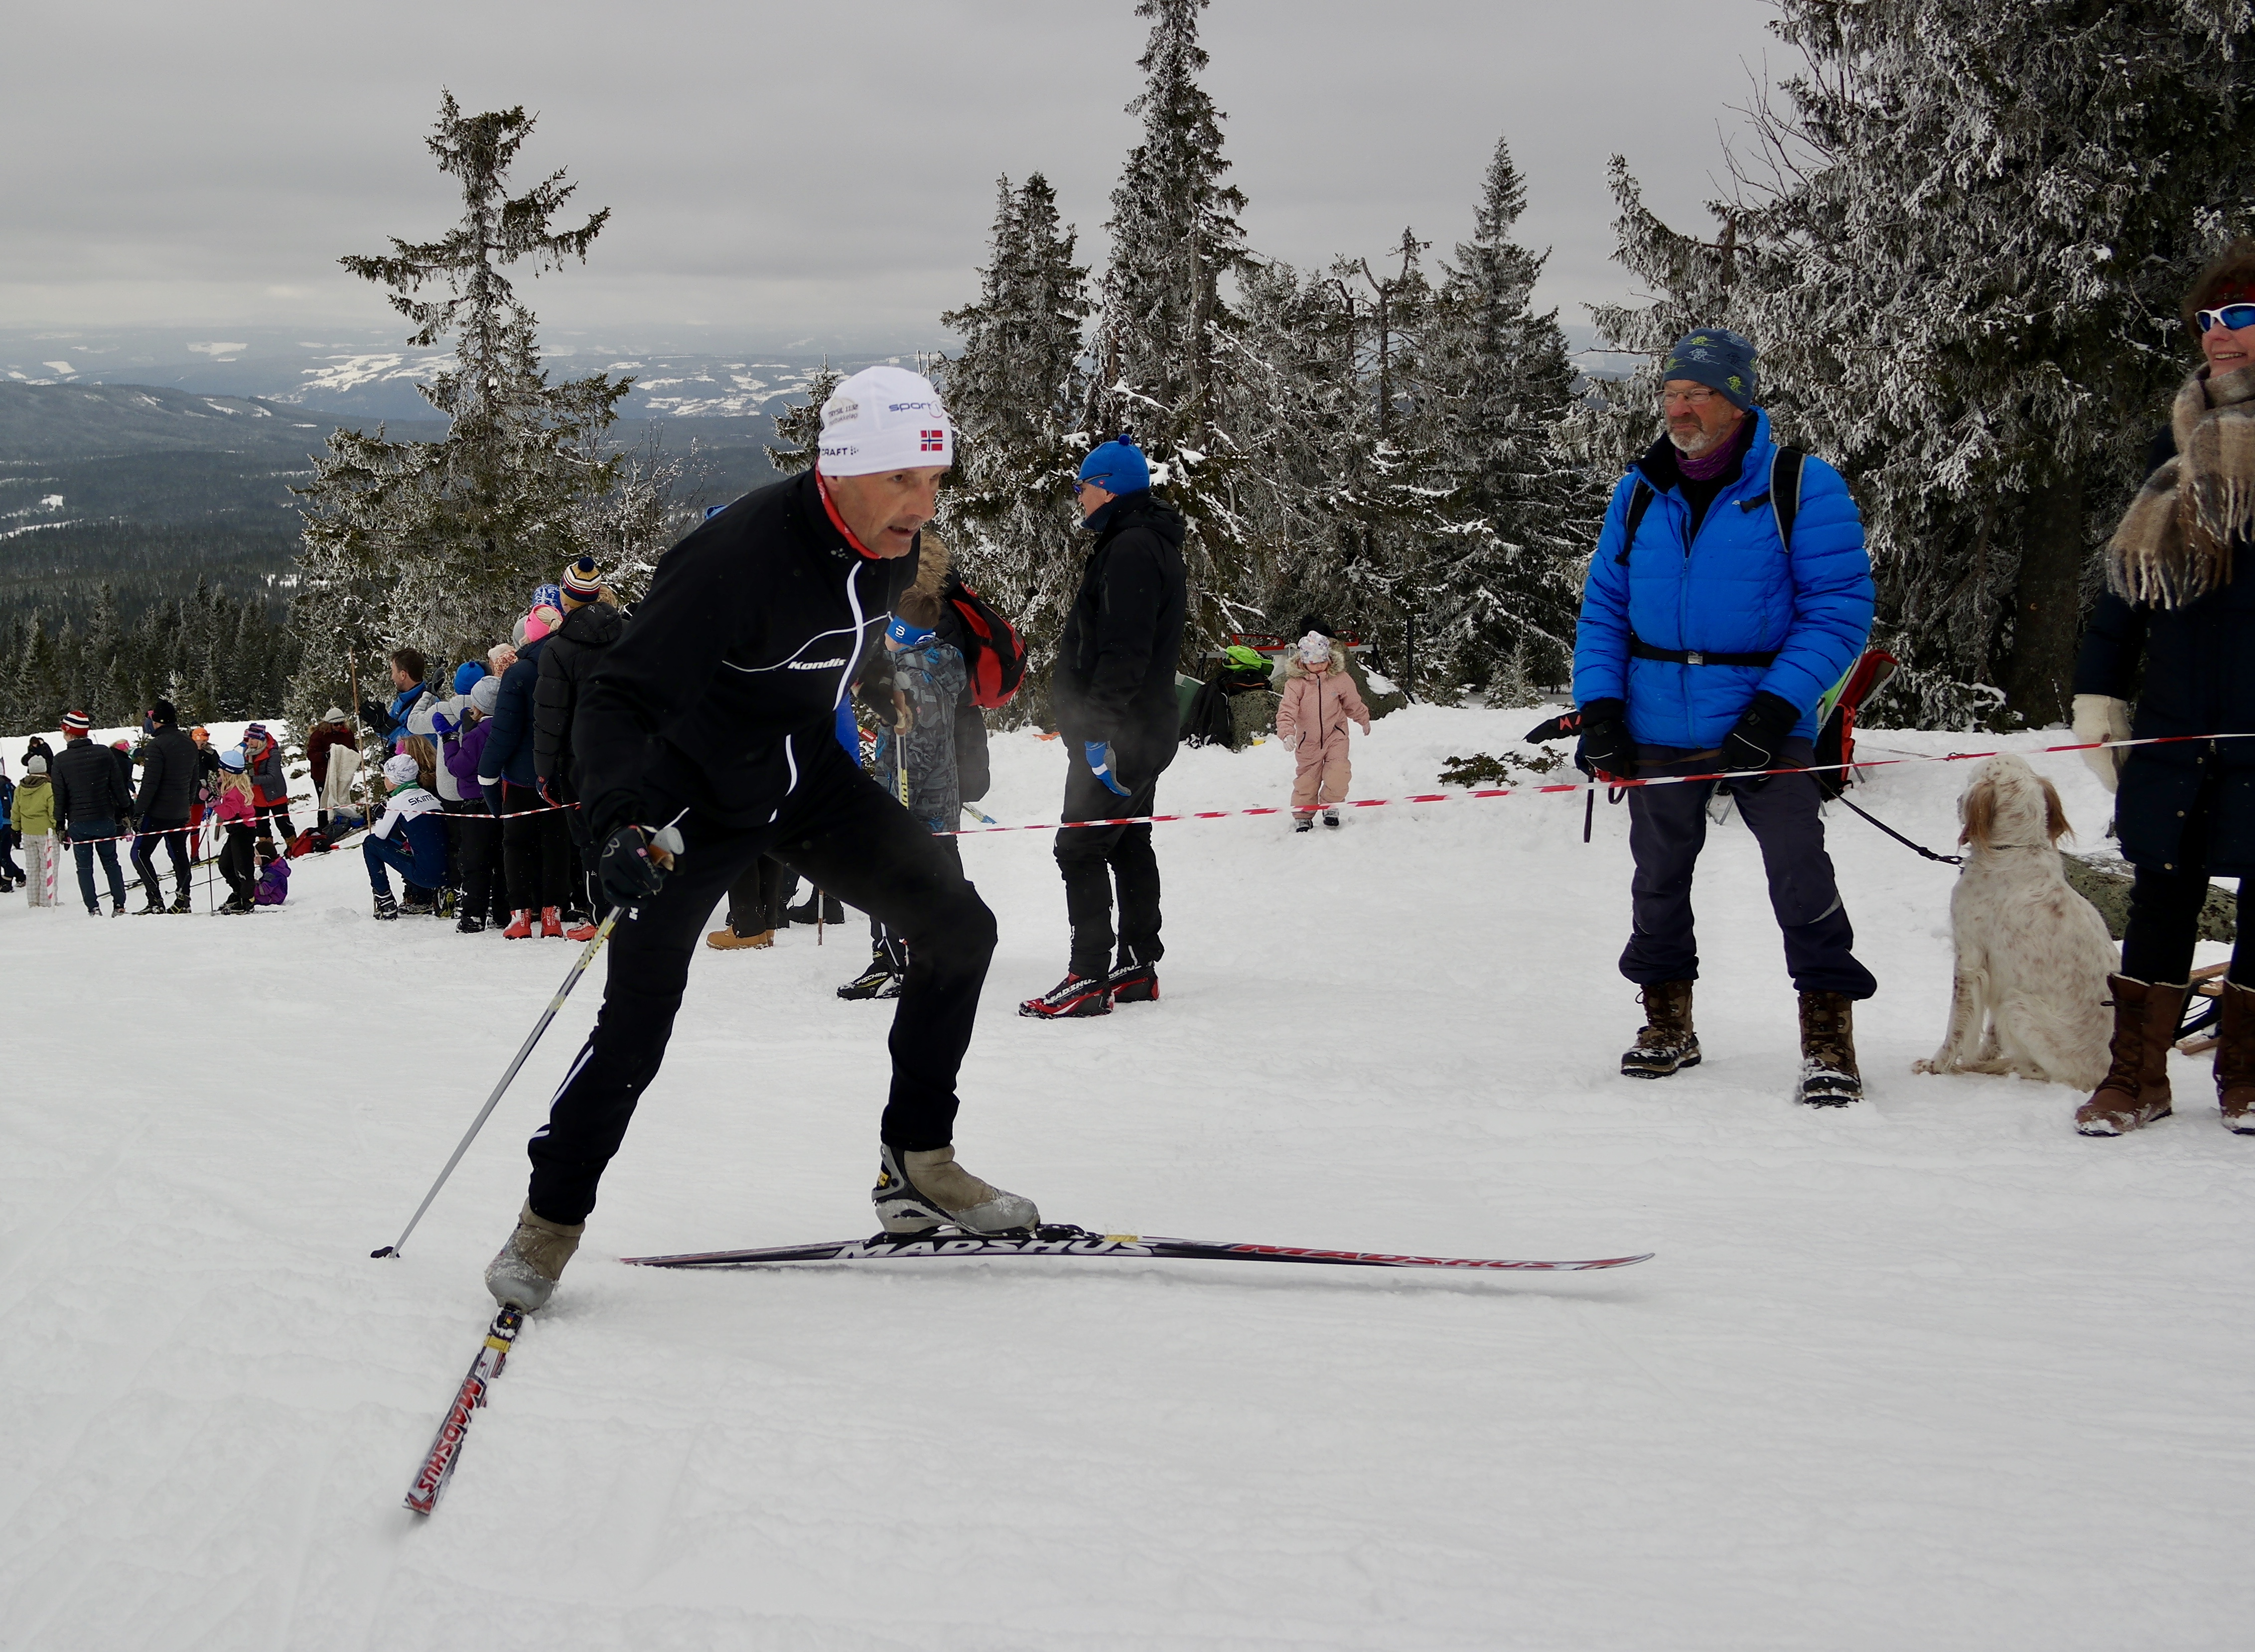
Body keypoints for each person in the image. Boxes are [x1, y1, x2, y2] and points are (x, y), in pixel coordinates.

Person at [481, 363, 1031, 1315]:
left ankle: (917, 1161)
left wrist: (886, 691)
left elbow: (834, 650)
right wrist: (614, 821)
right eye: (902, 479)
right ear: (842, 469)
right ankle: (549, 1221)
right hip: (687, 803)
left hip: (802, 777)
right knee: (636, 1022)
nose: (923, 504)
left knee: (959, 929)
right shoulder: (736, 556)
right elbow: (617, 697)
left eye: (935, 479)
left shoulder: (891, 549)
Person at [1572, 327, 1876, 1104]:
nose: (1677, 409)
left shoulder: (1801, 485)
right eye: (1670, 394)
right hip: (1654, 718)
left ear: (1736, 401)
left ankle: (1828, 1038)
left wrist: (1774, 710)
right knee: (1657, 879)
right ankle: (1666, 1023)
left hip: (1765, 718)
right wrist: (1599, 708)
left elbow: (1839, 611)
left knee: (1798, 870)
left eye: (1696, 394)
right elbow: (1603, 608)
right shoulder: (1639, 490)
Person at [2070, 241, 2255, 1137]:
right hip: (2179, 706)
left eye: (2241, 317)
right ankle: (2134, 1076)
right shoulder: (2176, 440)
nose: (2218, 334)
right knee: (2161, 887)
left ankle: (2246, 1075)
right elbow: (2127, 585)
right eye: (2207, 320)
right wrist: (2099, 692)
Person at [1020, 435, 1188, 1020]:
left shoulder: (1132, 548)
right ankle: (1136, 966)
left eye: (1083, 486)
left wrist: (1096, 732)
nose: (1078, 496)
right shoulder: (1141, 540)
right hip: (1140, 727)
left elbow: (1123, 652)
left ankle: (1087, 976)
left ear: (1108, 488)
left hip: (1121, 733)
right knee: (1127, 839)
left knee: (1080, 846)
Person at [839, 562, 970, 999]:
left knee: (894, 878)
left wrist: (894, 795)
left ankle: (896, 960)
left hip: (916, 802)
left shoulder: (913, 677)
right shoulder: (934, 665)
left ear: (902, 631)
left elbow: (917, 743)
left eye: (891, 627)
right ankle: (939, 950)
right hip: (937, 800)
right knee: (940, 876)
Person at [536, 557, 624, 937]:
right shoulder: (629, 633)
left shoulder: (557, 649)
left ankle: (603, 916)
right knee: (628, 829)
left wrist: (543, 771)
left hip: (581, 759)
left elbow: (550, 718)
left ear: (565, 597)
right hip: (630, 751)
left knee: (590, 839)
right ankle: (636, 909)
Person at [480, 603, 574, 938]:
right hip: (560, 772)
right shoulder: (571, 664)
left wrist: (488, 773)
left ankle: (520, 915)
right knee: (556, 843)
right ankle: (553, 914)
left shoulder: (519, 673)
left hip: (522, 774)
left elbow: (504, 731)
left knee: (517, 844)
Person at [1276, 630, 1371, 831]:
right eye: (1314, 663)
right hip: (1307, 740)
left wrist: (1363, 719)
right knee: (1307, 780)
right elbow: (1287, 710)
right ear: (1304, 662)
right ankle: (1303, 815)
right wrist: (1286, 732)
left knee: (1339, 772)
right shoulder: (1295, 684)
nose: (1319, 666)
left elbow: (1353, 702)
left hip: (1336, 735)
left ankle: (1331, 807)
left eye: (1322, 661)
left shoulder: (1340, 679)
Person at [443, 674, 510, 932]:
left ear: (479, 707)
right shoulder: (508, 728)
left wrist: (450, 741)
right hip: (505, 801)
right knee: (504, 859)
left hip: (477, 802)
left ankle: (473, 915)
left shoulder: (477, 735)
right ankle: (504, 911)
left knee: (475, 861)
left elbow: (458, 768)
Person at [52, 709, 131, 916]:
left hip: (78, 822)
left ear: (69, 733)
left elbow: (60, 796)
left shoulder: (61, 760)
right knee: (111, 862)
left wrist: (59, 824)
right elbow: (118, 786)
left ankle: (93, 908)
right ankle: (119, 904)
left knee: (84, 868)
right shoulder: (104, 753)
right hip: (104, 818)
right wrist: (126, 811)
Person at [130, 699, 198, 913]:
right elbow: (194, 779)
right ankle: (184, 899)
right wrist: (188, 804)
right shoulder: (188, 742)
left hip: (158, 812)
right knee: (179, 855)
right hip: (179, 810)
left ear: (157, 721)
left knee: (139, 854)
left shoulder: (156, 745)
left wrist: (138, 812)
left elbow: (150, 783)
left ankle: (155, 901)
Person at [364, 751, 448, 919]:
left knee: (370, 844)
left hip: (424, 875)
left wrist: (381, 816)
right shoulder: (430, 797)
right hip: (448, 871)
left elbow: (380, 836)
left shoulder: (398, 801)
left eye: (385, 777)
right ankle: (443, 891)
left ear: (394, 781)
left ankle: (384, 899)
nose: (384, 781)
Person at [211, 748, 260, 914]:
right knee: (225, 865)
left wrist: (214, 804)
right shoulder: (230, 786)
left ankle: (247, 900)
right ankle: (238, 892)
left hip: (243, 832)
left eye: (221, 768)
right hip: (236, 831)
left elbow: (229, 813)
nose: (218, 770)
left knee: (243, 868)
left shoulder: (235, 791)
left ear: (228, 771)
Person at [363, 647, 437, 752]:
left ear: (403, 675)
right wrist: (379, 724)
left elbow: (420, 747)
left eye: (393, 672)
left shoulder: (429, 704)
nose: (392, 677)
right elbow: (392, 735)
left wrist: (388, 726)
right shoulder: (403, 699)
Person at [307, 706, 360, 841]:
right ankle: (324, 831)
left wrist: (353, 759)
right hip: (322, 776)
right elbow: (311, 754)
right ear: (329, 724)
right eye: (336, 724)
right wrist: (326, 756)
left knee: (341, 800)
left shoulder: (347, 733)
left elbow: (353, 750)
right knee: (324, 803)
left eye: (341, 723)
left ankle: (340, 827)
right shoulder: (318, 735)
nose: (339, 726)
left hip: (340, 775)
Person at [241, 723, 294, 848]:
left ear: (260, 739)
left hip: (275, 795)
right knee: (262, 827)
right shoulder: (248, 752)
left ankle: (293, 848)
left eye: (253, 739)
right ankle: (267, 850)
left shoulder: (272, 753)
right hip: (257, 797)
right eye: (249, 738)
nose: (250, 742)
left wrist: (251, 779)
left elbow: (273, 776)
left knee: (284, 825)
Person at [12, 754, 57, 905]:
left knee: (32, 869)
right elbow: (52, 813)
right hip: (46, 834)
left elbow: (15, 811)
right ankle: (47, 901)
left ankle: (33, 901)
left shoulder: (20, 788)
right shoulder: (48, 788)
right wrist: (59, 829)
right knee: (48, 868)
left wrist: (16, 829)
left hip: (28, 833)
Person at [0, 757, 19, 890]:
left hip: (1, 824)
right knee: (5, 854)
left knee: (3, 855)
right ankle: (19, 875)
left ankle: (7, 880)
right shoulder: (10, 786)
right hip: (11, 823)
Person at [255, 842, 290, 907]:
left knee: (247, 900)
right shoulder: (269, 867)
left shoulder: (273, 872)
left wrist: (251, 888)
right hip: (272, 895)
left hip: (273, 898)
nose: (254, 858)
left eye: (256, 856)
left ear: (264, 857)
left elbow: (265, 890)